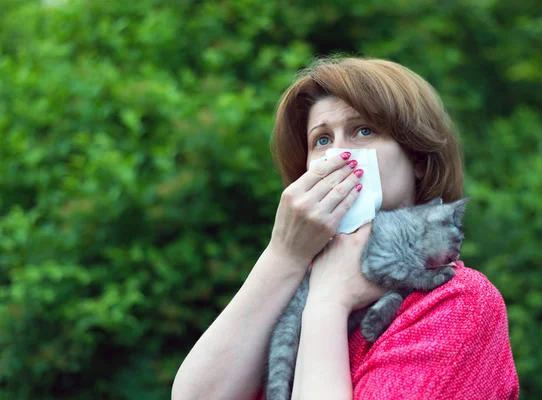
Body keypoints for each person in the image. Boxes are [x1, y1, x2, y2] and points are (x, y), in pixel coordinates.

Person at [172, 56, 519, 400]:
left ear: (417, 158)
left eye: (363, 130)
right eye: (321, 140)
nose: (338, 154)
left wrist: (328, 304)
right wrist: (285, 254)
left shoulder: (457, 302)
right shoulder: (295, 284)